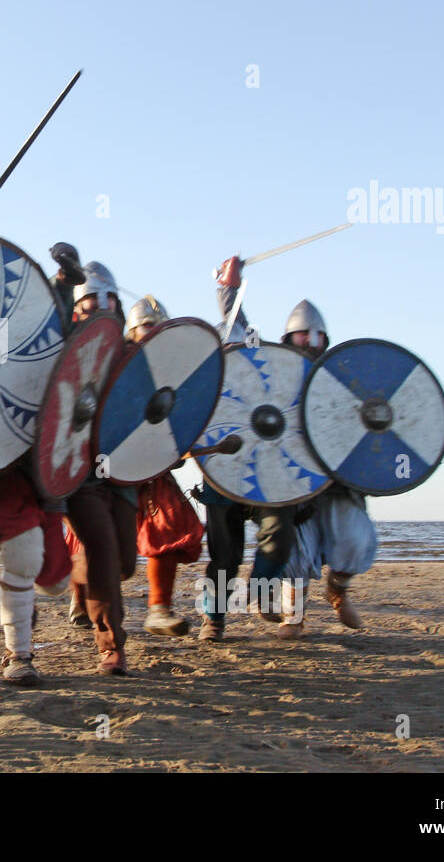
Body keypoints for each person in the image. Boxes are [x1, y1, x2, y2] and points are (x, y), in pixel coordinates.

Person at [0, 242, 87, 686]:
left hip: (47, 466)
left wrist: (64, 281)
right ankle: (18, 655)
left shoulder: (50, 325)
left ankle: (27, 596)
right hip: (1, 464)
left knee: (55, 577)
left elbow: (64, 333)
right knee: (22, 558)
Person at [195, 256, 299, 641]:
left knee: (279, 529)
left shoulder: (262, 365)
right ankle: (214, 618)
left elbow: (234, 313)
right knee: (224, 556)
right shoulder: (203, 377)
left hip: (266, 469)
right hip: (221, 474)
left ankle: (261, 589)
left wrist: (228, 283)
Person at [274, 300, 379, 638]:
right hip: (294, 478)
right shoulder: (276, 374)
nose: (311, 340)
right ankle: (295, 617)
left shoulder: (343, 376)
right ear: (290, 338)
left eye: (317, 335)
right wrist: (228, 291)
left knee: (353, 539)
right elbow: (238, 344)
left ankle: (338, 590)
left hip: (338, 481)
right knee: (294, 552)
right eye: (303, 334)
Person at [62, 262, 139, 675]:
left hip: (123, 471)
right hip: (79, 472)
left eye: (107, 303)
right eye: (90, 304)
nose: (100, 310)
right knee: (104, 550)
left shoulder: (132, 357)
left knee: (124, 561)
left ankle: (80, 577)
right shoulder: (63, 353)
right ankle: (111, 645)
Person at [124, 296, 205, 637]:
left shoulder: (178, 370)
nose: (152, 332)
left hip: (154, 468)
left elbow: (184, 417)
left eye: (158, 327)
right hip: (108, 466)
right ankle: (83, 598)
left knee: (168, 527)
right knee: (100, 540)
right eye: (146, 326)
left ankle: (159, 609)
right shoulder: (116, 363)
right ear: (132, 331)